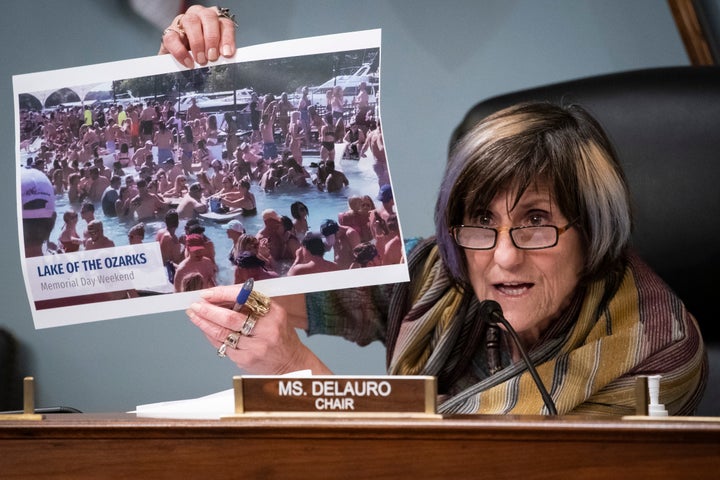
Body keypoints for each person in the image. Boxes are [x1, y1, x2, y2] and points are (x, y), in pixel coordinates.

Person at [168, 8, 705, 415]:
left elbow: (465, 465)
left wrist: (295, 372)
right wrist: (192, 74)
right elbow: (255, 288)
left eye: (536, 222)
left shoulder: (655, 348)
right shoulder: (436, 274)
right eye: (480, 222)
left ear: (593, 231)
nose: (503, 259)